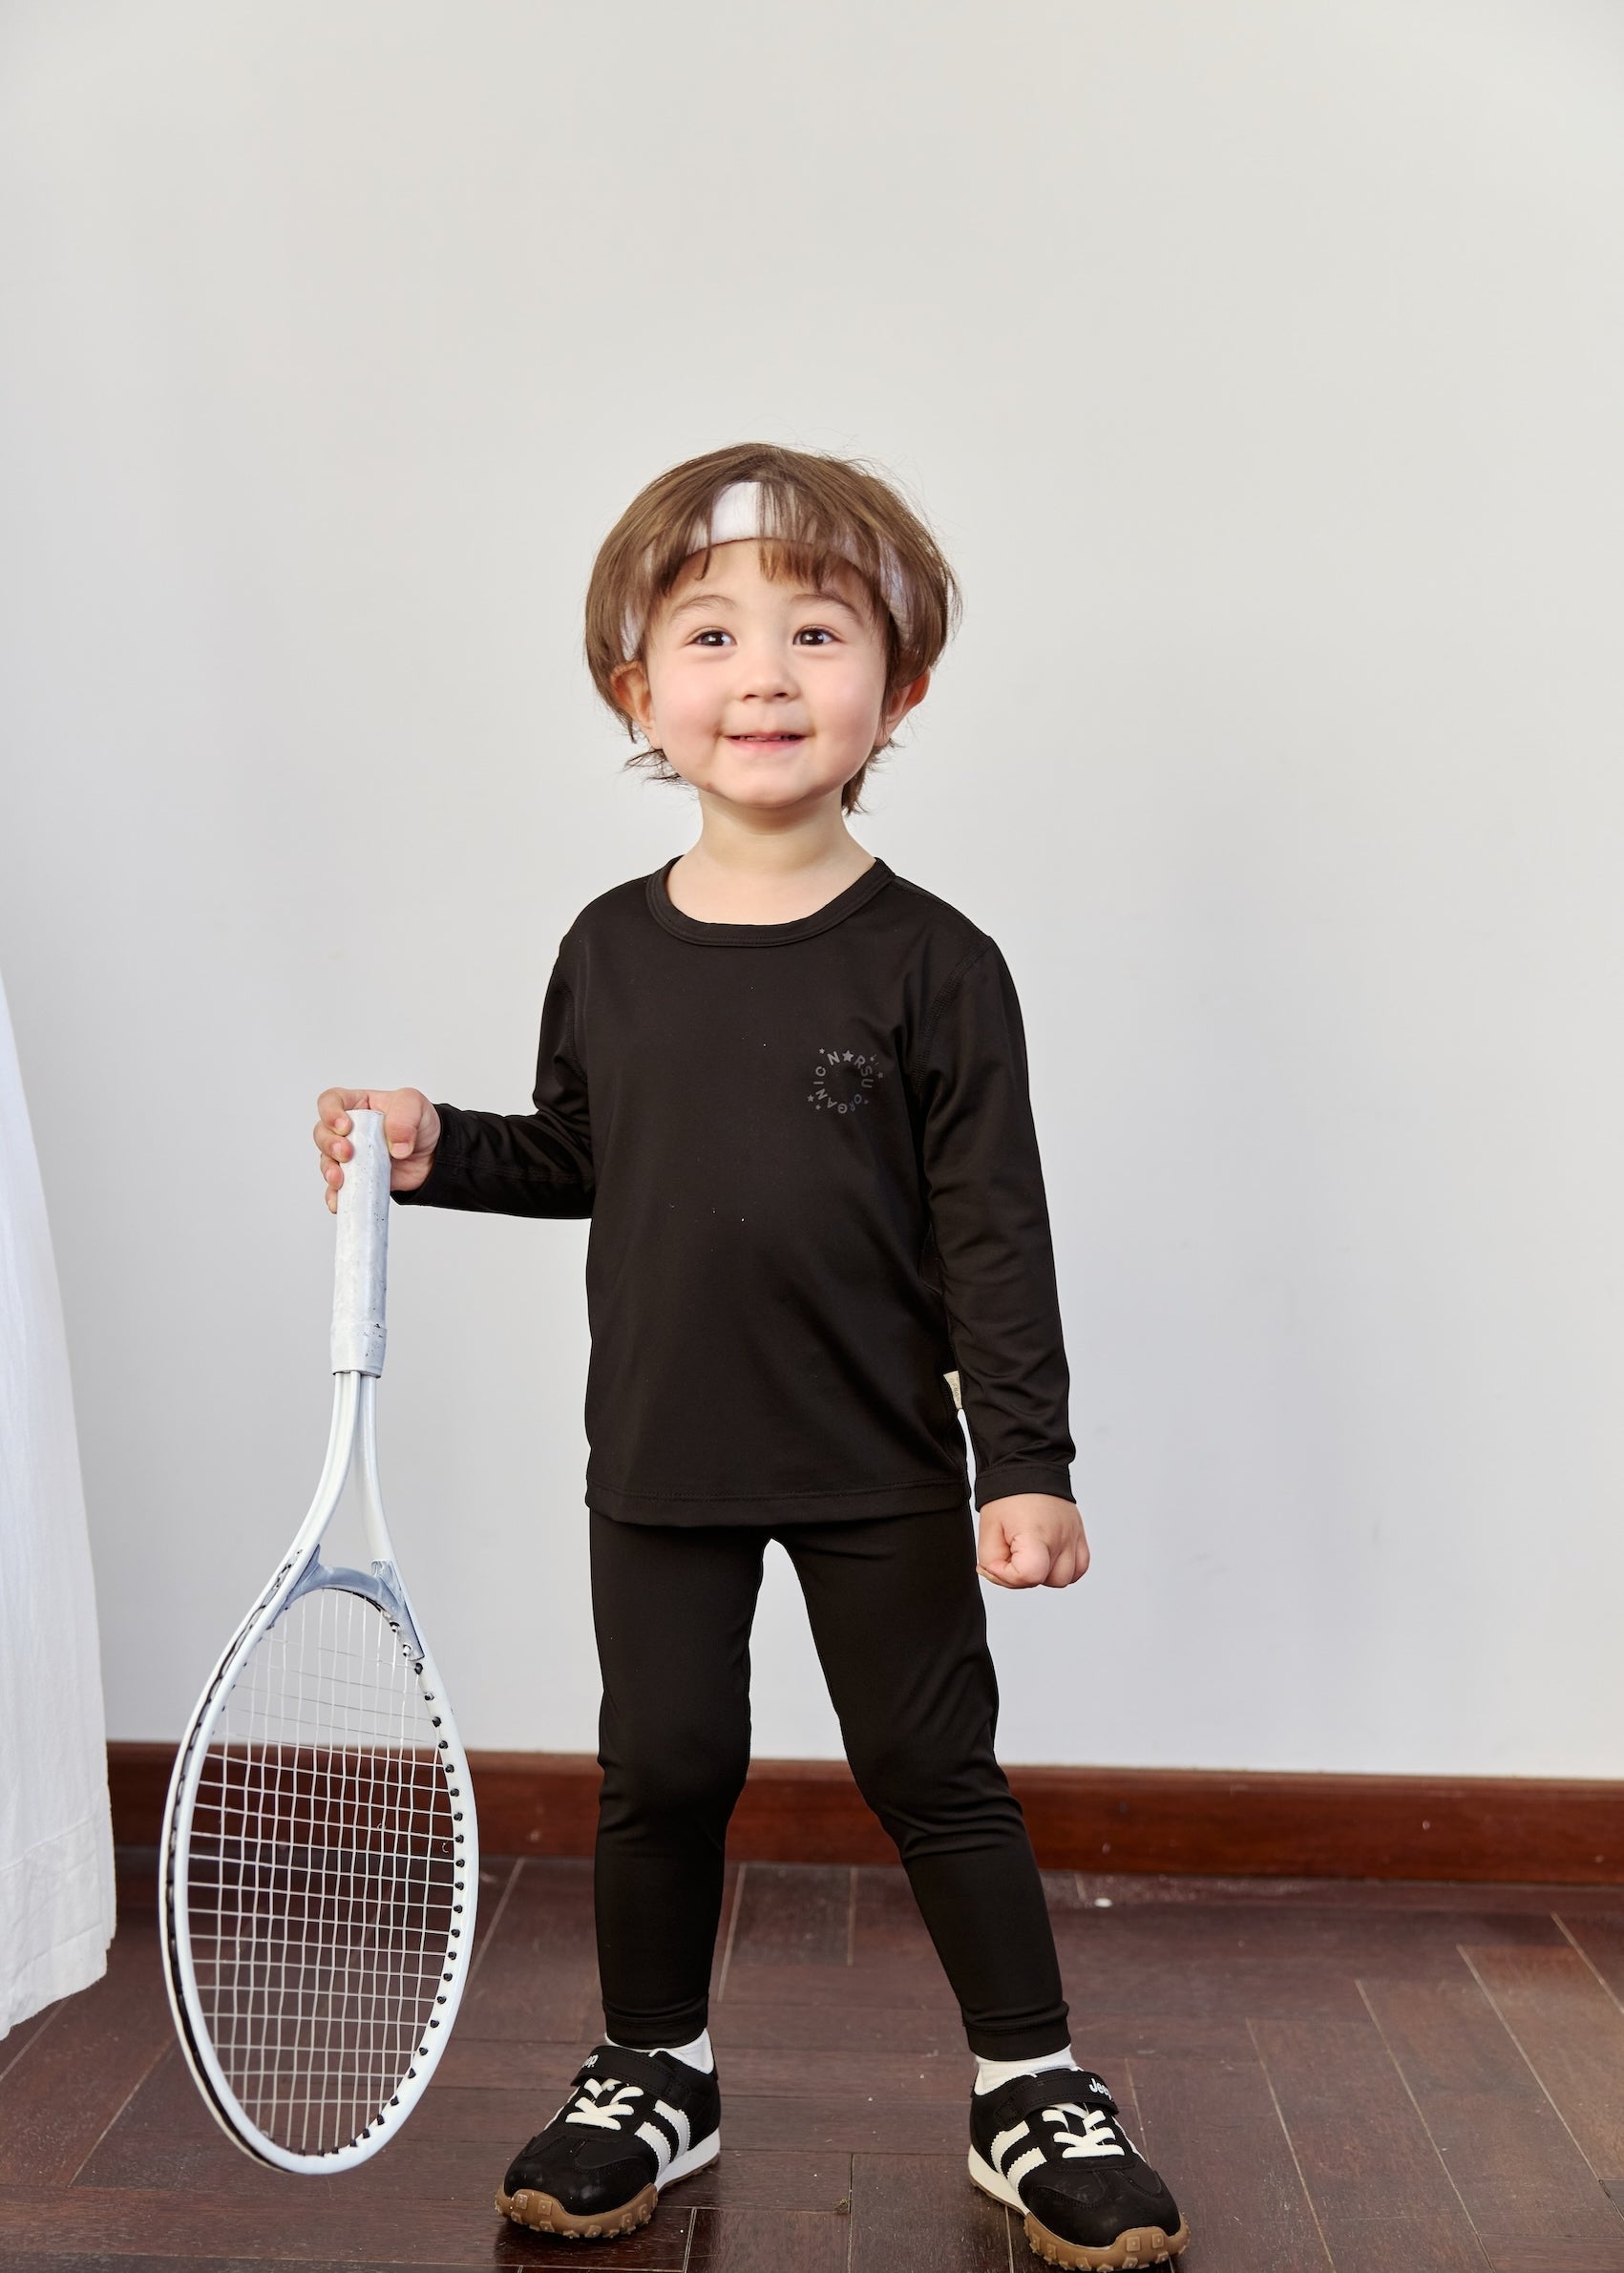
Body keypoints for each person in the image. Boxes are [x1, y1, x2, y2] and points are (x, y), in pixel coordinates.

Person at [312, 443, 1188, 2270]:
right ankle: (653, 2064)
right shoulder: (607, 951)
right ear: (639, 688)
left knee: (934, 1769)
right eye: (710, 634)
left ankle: (1028, 2083)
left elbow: (991, 1235)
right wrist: (433, 1144)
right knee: (665, 1763)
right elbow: (581, 1150)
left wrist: (1023, 1457)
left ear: (902, 687)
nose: (765, 674)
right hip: (657, 1456)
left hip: (877, 1458)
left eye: (815, 631)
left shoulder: (939, 966)